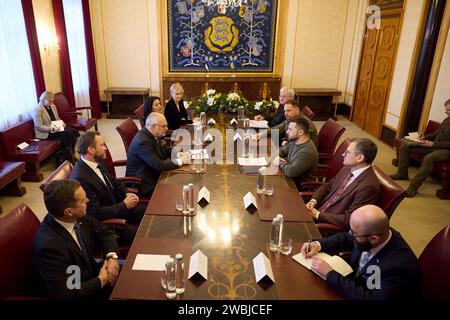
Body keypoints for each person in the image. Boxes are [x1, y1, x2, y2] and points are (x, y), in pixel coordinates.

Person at [301, 205, 420, 300]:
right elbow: (346, 238)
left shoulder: (399, 268)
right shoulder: (377, 231)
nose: (351, 235)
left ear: (374, 239)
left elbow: (370, 297)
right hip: (352, 281)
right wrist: (318, 245)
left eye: (354, 233)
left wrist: (330, 274)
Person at [32, 179, 120, 300]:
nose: (88, 201)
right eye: (83, 201)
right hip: (84, 292)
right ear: (69, 211)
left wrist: (111, 257)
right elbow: (66, 293)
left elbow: (104, 233)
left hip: (94, 273)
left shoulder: (77, 216)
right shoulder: (49, 247)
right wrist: (102, 280)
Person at [70, 131, 145, 245]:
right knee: (144, 234)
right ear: (91, 150)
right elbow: (95, 213)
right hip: (106, 224)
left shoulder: (97, 161)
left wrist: (126, 194)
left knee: (149, 213)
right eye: (102, 145)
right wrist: (124, 205)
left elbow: (114, 182)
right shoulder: (81, 178)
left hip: (117, 207)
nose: (106, 148)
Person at [305, 138, 380, 230]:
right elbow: (328, 186)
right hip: (317, 210)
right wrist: (313, 201)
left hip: (326, 226)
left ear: (360, 157)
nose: (343, 154)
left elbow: (350, 219)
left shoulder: (368, 187)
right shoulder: (348, 168)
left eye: (347, 152)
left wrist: (317, 215)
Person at [389, 99, 450, 197]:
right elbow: (436, 134)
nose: (445, 112)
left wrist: (433, 144)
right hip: (433, 145)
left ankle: (413, 188)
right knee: (405, 146)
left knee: (428, 158)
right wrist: (425, 137)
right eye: (446, 109)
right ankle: (402, 174)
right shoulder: (447, 120)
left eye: (448, 110)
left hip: (446, 151)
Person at [126, 112, 190, 197]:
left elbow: (164, 148)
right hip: (145, 183)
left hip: (153, 172)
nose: (167, 128)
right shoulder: (143, 142)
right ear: (153, 126)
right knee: (179, 188)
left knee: (184, 180)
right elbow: (158, 165)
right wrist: (181, 161)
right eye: (164, 126)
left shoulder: (152, 134)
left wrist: (177, 154)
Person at [32, 91, 79, 166]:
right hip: (46, 132)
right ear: (43, 99)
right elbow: (38, 126)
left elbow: (57, 118)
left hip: (56, 128)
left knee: (74, 132)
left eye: (52, 101)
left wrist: (62, 123)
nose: (51, 103)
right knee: (68, 134)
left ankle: (70, 155)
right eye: (49, 101)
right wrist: (53, 129)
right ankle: (68, 157)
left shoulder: (53, 106)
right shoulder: (37, 109)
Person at [274, 117, 318, 188]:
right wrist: (278, 157)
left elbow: (291, 172)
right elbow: (281, 150)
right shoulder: (294, 141)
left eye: (290, 129)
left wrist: (281, 162)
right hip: (289, 179)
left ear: (300, 132)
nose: (287, 132)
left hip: (299, 187)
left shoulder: (308, 151)